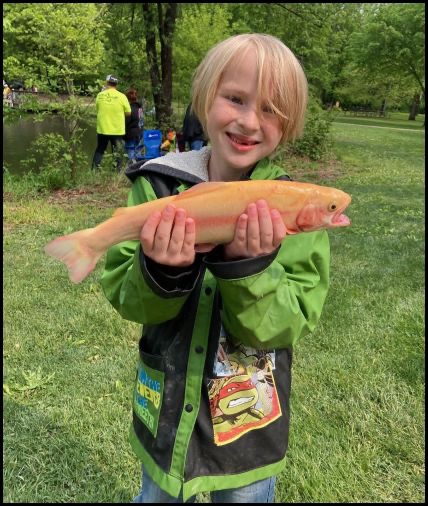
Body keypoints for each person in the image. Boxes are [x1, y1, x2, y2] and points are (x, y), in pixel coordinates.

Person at [100, 33, 330, 503]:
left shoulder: (294, 210)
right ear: (206, 97)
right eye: (235, 98)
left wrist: (252, 269)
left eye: (271, 109)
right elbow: (125, 294)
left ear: (290, 125)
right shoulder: (159, 185)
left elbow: (288, 323)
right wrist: (159, 270)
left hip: (248, 427)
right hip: (166, 410)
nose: (249, 121)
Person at [91, 75, 131, 172]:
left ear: (107, 82)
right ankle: (116, 173)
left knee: (100, 150)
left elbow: (97, 108)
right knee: (117, 152)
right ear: (116, 84)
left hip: (102, 129)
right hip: (117, 130)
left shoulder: (100, 95)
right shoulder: (122, 96)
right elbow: (128, 112)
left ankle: (94, 171)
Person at [124, 89, 143, 165]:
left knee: (130, 153)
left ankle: (131, 170)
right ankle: (139, 169)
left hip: (131, 134)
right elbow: (141, 121)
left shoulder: (129, 109)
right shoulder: (140, 108)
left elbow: (126, 123)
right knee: (138, 153)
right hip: (140, 133)